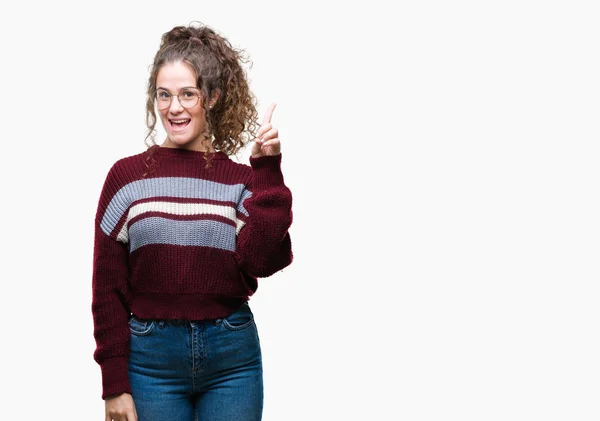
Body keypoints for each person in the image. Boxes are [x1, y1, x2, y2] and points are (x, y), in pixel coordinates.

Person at [91, 21, 293, 421]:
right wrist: (114, 384)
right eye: (164, 95)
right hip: (151, 363)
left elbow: (263, 262)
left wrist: (267, 169)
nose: (174, 107)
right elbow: (107, 288)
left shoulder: (241, 180)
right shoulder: (127, 178)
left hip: (232, 360)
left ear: (213, 97)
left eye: (188, 94)